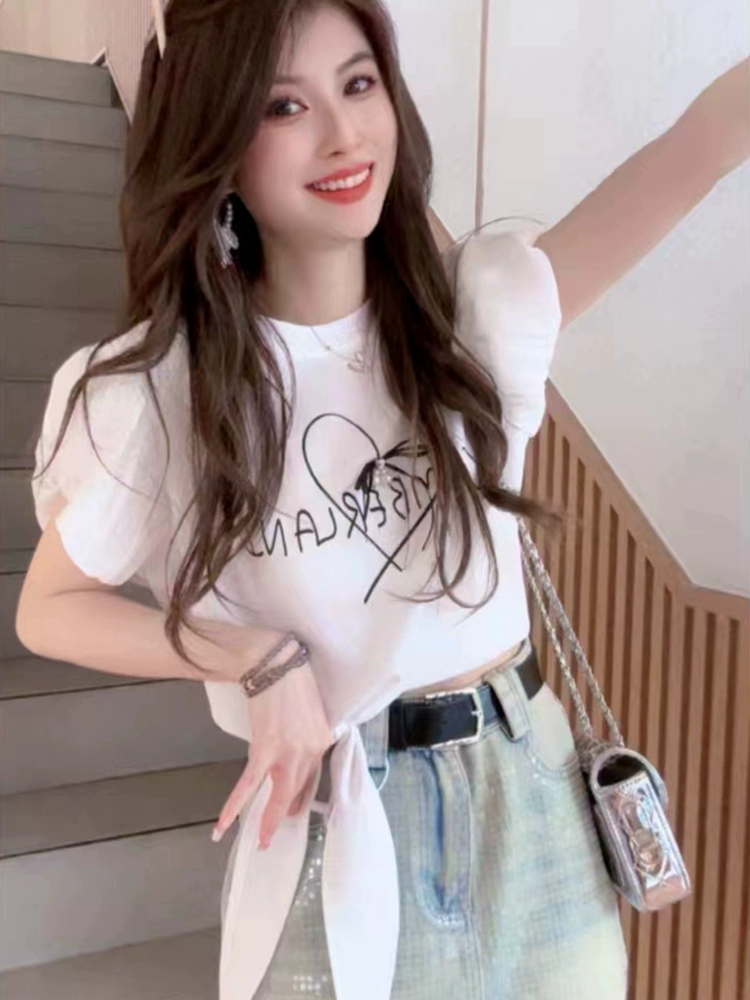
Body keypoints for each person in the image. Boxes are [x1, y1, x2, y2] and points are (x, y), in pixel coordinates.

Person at [16, 1, 749, 998]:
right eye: (285, 105)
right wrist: (254, 657)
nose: (343, 133)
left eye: (358, 84)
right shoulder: (166, 392)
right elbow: (50, 608)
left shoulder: (470, 318)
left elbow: (702, 144)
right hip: (338, 820)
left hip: (528, 798)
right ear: (217, 141)